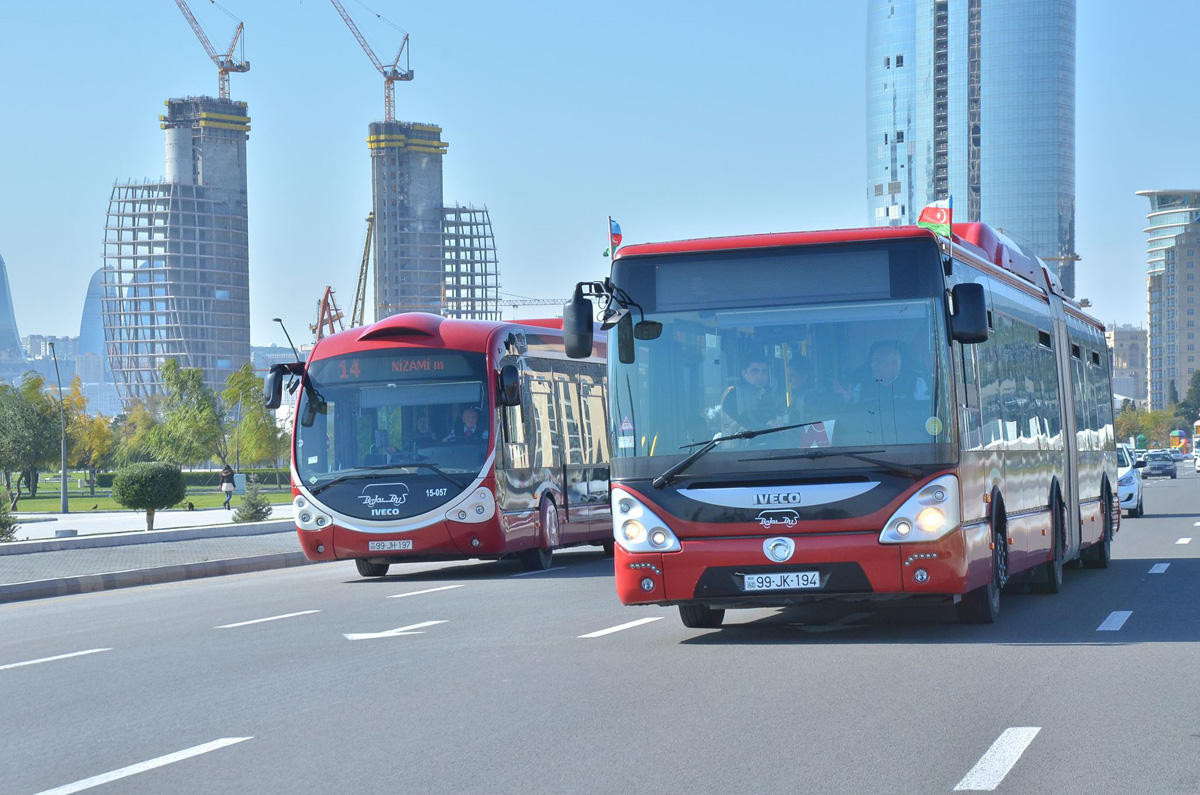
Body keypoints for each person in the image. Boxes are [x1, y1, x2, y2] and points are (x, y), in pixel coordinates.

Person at [836, 340, 929, 403]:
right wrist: (846, 399)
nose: (873, 365)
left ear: (894, 365)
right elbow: (853, 409)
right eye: (872, 361)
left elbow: (923, 411)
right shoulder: (862, 385)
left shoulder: (916, 383)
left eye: (879, 362)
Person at [721, 357, 784, 432]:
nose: (760, 376)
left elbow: (781, 415)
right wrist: (766, 426)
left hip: (772, 440)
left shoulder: (771, 395)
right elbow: (736, 425)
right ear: (744, 373)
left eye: (764, 372)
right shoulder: (733, 395)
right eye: (754, 371)